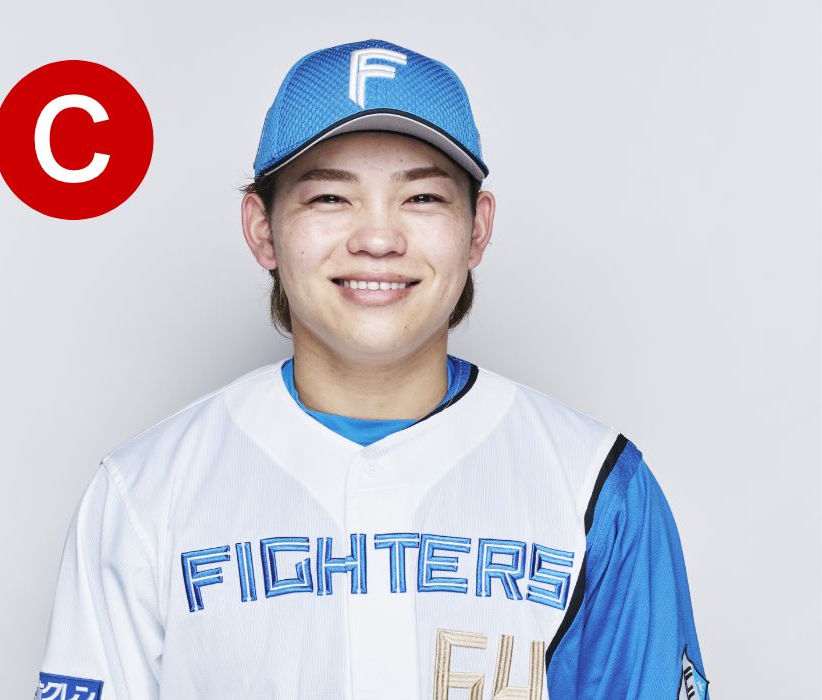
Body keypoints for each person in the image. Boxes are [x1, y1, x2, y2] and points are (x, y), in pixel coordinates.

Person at [36, 39, 709, 700]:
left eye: (423, 198)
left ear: (477, 229)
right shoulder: (145, 490)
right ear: (263, 229)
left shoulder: (595, 484)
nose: (379, 238)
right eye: (330, 198)